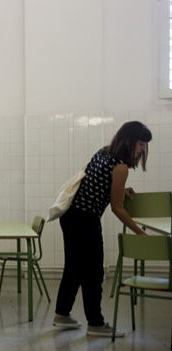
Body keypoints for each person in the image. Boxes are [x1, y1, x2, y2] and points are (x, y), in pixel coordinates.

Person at [53, 120, 152, 337]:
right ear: (129, 141)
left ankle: (61, 314)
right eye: (141, 143)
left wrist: (121, 189)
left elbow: (95, 182)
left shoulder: (104, 152)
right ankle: (96, 324)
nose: (143, 149)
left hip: (70, 216)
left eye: (145, 145)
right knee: (93, 272)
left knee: (74, 268)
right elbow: (117, 208)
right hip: (85, 220)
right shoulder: (121, 167)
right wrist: (141, 233)